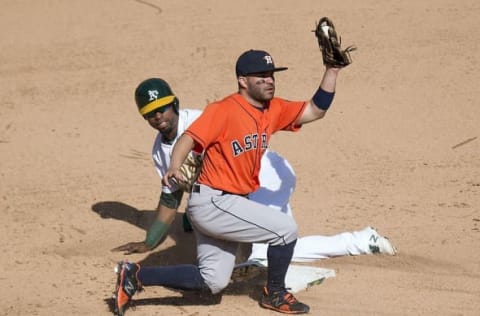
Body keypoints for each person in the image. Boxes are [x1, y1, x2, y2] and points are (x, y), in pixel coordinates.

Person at [113, 49, 361, 315]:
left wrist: (332, 71)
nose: (270, 81)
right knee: (285, 230)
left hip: (223, 205)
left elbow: (315, 109)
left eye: (271, 76)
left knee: (213, 280)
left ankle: (135, 275)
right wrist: (174, 165)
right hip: (214, 201)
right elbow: (187, 139)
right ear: (243, 80)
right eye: (262, 76)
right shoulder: (224, 110)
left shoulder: (273, 109)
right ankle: (275, 294)